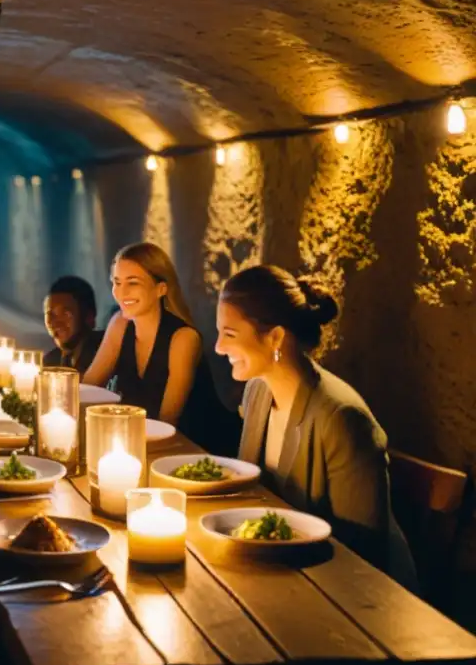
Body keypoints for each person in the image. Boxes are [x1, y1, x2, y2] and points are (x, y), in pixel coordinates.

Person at [216, 265, 417, 587]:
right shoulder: (258, 390)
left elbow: (363, 551)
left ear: (276, 337)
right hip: (280, 569)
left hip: (357, 592)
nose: (218, 347)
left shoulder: (342, 418)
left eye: (229, 334)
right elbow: (251, 493)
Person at [83, 243, 232, 452]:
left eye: (132, 283)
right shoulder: (119, 324)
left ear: (161, 289)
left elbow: (168, 420)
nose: (121, 292)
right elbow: (89, 386)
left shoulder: (184, 338)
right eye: (116, 282)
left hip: (198, 452)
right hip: (141, 446)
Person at [42, 275, 104, 376]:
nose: (56, 323)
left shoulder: (105, 353)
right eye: (50, 314)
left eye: (65, 314)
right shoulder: (50, 362)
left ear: (89, 317)